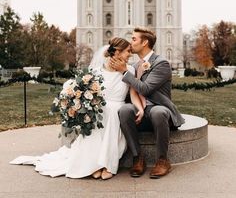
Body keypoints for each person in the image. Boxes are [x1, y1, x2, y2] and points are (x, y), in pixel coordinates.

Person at [10, 37, 143, 180]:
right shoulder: (97, 71)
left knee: (111, 116)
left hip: (118, 107)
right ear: (117, 52)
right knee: (99, 119)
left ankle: (107, 164)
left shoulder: (129, 69)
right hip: (101, 108)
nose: (130, 54)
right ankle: (94, 164)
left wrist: (140, 108)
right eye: (128, 51)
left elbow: (133, 93)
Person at [110, 27, 185, 179]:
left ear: (144, 43)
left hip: (159, 111)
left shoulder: (161, 63)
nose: (131, 42)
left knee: (158, 112)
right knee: (125, 111)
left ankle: (163, 160)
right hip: (141, 112)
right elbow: (132, 92)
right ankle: (138, 157)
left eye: (134, 39)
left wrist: (124, 72)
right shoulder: (136, 65)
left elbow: (145, 89)